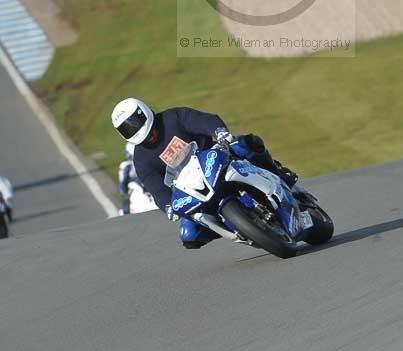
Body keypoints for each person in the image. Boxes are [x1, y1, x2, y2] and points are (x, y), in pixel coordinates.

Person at [111, 97, 298, 249]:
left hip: (216, 158)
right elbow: (156, 188)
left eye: (134, 122)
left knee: (246, 144)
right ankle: (242, 230)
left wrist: (220, 132)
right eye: (127, 128)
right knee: (189, 235)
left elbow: (204, 121)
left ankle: (278, 172)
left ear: (143, 112)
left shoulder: (173, 117)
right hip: (192, 188)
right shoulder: (141, 159)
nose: (135, 128)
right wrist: (168, 206)